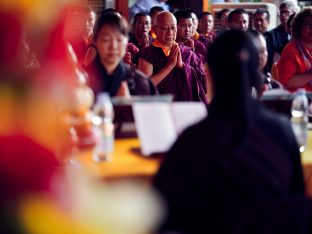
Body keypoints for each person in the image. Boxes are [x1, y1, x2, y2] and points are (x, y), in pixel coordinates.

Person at [153, 30, 304, 234]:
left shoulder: (193, 140)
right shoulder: (281, 131)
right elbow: (295, 204)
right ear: (256, 72)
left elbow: (161, 213)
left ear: (211, 73)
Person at [137, 11, 208, 103]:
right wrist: (169, 66)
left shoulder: (187, 53)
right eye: (164, 28)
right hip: (160, 108)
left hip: (186, 108)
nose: (170, 32)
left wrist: (183, 66)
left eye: (173, 28)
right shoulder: (147, 54)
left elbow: (204, 83)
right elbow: (145, 87)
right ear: (155, 29)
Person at [85, 13, 156, 97]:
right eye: (106, 40)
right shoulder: (82, 80)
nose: (113, 47)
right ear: (95, 41)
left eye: (119, 40)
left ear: (126, 41)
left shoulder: (139, 81)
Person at [277, 8, 312, 91]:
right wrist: (310, 75)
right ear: (299, 28)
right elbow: (286, 83)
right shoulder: (291, 50)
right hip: (299, 100)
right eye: (308, 24)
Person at [265, 0, 299, 72]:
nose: (283, 15)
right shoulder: (270, 35)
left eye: (286, 12)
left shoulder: (302, 35)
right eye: (281, 12)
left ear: (294, 13)